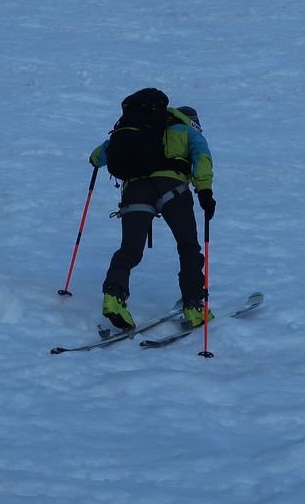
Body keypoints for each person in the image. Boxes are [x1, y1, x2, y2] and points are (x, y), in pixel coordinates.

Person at [88, 88, 215, 330]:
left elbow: (99, 155)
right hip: (172, 189)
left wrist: (97, 160)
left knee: (130, 249)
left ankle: (114, 298)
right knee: (188, 247)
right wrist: (205, 191)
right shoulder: (187, 130)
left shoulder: (140, 128)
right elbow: (202, 158)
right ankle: (194, 306)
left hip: (135, 190)